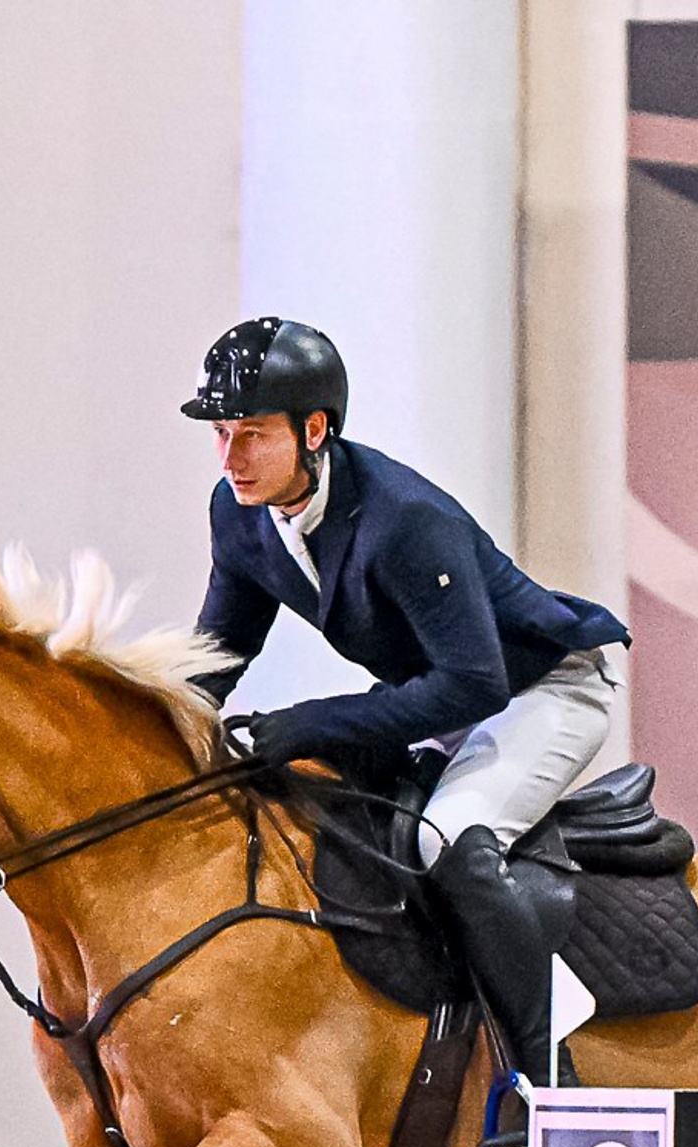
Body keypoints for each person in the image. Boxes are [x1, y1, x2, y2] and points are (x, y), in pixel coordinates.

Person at [184, 316, 629, 1101]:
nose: (231, 459)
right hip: (452, 692)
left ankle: (548, 1082)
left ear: (314, 428)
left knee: (445, 837)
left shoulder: (404, 520)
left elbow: (474, 686)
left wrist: (312, 722)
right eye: (221, 432)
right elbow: (217, 652)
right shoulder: (239, 511)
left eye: (252, 434)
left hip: (545, 687)